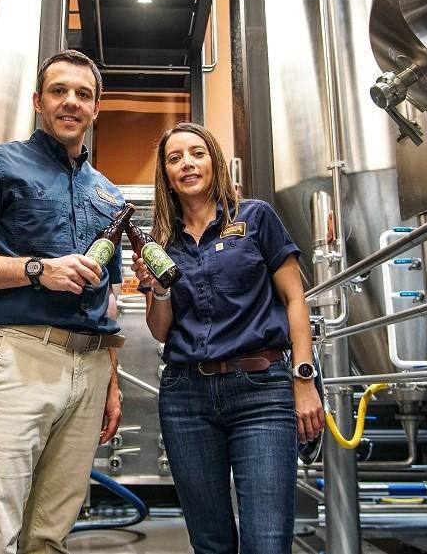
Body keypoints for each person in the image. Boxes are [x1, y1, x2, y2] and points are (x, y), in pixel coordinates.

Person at [0, 50, 125, 554]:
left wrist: (112, 384)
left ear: (96, 108)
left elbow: (110, 300)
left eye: (83, 94)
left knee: (50, 534)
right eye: (59, 91)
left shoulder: (108, 194)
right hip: (18, 357)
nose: (71, 102)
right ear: (38, 101)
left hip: (91, 368)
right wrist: (37, 269)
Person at [132, 122, 324, 554]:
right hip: (186, 397)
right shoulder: (160, 242)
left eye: (196, 153)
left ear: (214, 161)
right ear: (165, 174)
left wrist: (304, 378)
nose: (187, 164)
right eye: (174, 158)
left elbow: (295, 299)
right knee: (211, 542)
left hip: (261, 390)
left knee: (267, 542)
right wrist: (158, 290)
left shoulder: (255, 217)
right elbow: (159, 329)